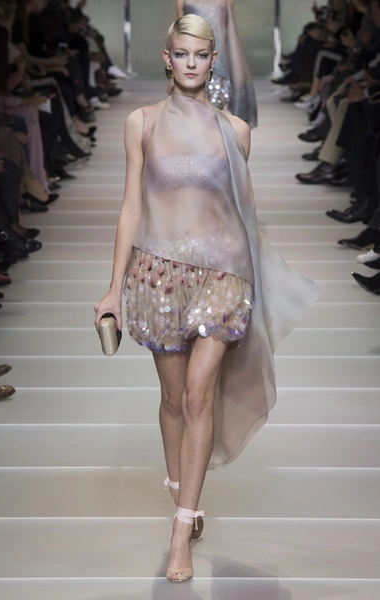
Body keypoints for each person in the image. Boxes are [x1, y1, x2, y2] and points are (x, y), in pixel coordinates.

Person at [94, 15, 320, 583]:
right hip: (158, 275)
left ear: (213, 61)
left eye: (201, 54)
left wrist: (256, 283)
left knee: (198, 396)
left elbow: (244, 212)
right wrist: (114, 288)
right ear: (168, 58)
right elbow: (130, 207)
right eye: (183, 54)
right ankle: (181, 491)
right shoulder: (141, 123)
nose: (192, 63)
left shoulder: (236, 131)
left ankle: (181, 528)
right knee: (174, 399)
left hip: (223, 275)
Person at [176, 0, 257, 127]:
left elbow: (229, 32)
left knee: (213, 114)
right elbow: (178, 34)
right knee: (190, 113)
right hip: (190, 63)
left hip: (218, 65)